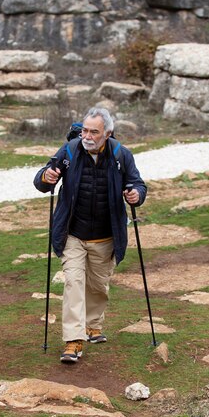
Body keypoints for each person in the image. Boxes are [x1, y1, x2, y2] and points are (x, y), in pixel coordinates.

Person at [34, 107, 146, 364]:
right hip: (72, 233)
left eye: (93, 132)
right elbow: (42, 180)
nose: (87, 135)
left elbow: (138, 184)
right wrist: (46, 176)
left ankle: (93, 324)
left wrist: (136, 195)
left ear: (107, 133)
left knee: (98, 286)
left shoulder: (121, 155)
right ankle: (73, 340)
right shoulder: (70, 150)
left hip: (106, 237)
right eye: (84, 130)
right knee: (73, 282)